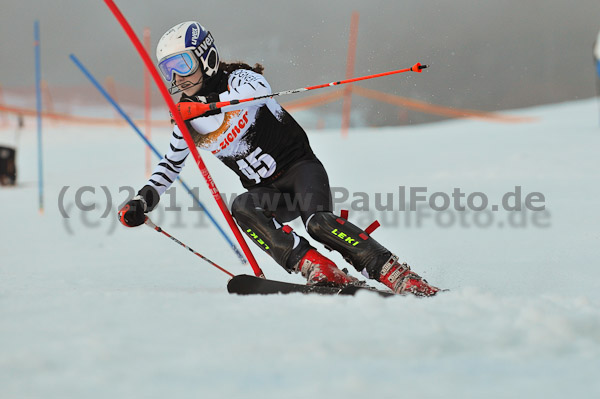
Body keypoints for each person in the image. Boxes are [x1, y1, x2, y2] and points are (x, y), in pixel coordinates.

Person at [118, 21, 439, 296]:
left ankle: (396, 274)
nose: (178, 79)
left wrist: (207, 104)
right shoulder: (188, 120)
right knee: (242, 207)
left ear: (207, 57)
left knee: (319, 223)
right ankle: (319, 268)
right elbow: (170, 165)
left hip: (301, 170)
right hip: (268, 192)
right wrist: (142, 202)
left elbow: (257, 91)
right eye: (169, 70)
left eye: (183, 65)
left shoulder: (238, 80)